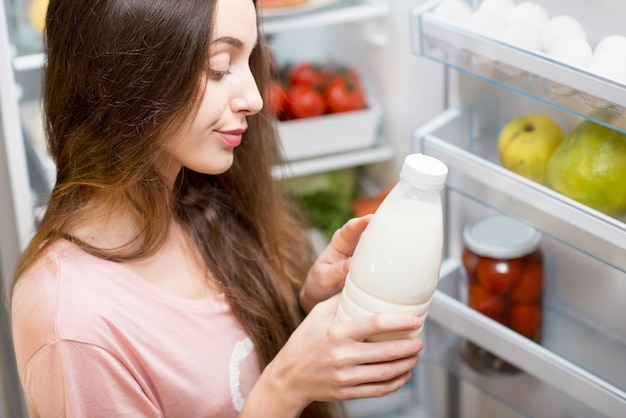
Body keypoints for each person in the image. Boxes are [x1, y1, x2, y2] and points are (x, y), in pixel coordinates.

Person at [10, 0, 423, 417]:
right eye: (219, 67)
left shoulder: (193, 201)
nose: (255, 99)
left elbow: (225, 368)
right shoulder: (72, 327)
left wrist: (305, 310)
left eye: (250, 58)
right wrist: (286, 386)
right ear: (118, 74)